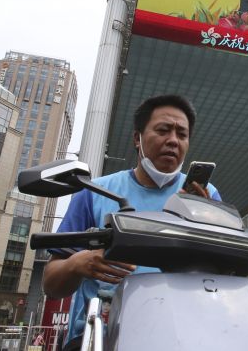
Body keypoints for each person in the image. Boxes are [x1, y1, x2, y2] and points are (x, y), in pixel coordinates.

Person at [42, 94, 221, 344]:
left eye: (182, 134)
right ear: (137, 138)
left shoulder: (207, 196)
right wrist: (76, 264)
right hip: (100, 339)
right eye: (163, 130)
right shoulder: (93, 192)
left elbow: (221, 276)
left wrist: (206, 219)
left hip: (180, 337)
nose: (173, 140)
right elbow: (51, 285)